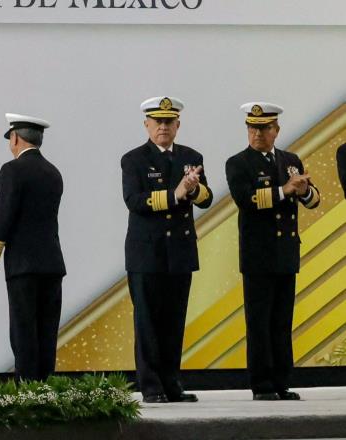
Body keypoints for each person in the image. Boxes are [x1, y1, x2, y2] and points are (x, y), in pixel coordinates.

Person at [121, 96, 213, 403]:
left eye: (168, 122)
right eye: (157, 122)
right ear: (146, 124)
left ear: (178, 125)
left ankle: (173, 383)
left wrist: (195, 188)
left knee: (174, 322)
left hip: (180, 251)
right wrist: (176, 193)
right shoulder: (133, 159)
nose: (163, 127)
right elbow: (134, 201)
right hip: (146, 253)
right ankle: (150, 386)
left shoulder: (191, 156)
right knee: (148, 322)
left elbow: (207, 198)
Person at [225, 102, 320, 401]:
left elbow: (314, 200)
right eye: (252, 127)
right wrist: (284, 191)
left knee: (282, 322)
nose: (258, 133)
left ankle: (282, 381)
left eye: (264, 128)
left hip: (285, 253)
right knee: (259, 322)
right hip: (258, 255)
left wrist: (303, 190)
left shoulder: (290, 160)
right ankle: (262, 384)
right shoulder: (238, 163)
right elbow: (246, 200)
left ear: (276, 130)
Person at [0, 113, 66, 381]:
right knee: (46, 330)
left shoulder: (12, 170)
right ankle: (45, 385)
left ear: (15, 138)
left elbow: (3, 219)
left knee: (23, 331)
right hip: (52, 263)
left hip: (23, 266)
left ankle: (27, 388)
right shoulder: (54, 172)